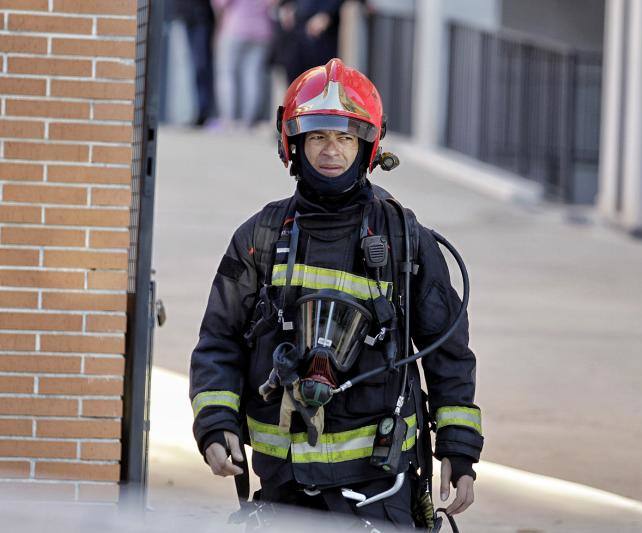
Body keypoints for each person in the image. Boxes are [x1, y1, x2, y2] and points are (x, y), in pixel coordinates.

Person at [190, 58, 483, 529]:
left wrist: (459, 450)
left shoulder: (404, 240)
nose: (332, 150)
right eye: (319, 137)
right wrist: (215, 424)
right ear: (294, 143)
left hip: (379, 484)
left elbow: (448, 352)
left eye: (345, 137)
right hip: (282, 484)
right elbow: (218, 341)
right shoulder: (259, 237)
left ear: (367, 146)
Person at [212, 0, 275, 129]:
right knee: (253, 76)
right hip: (262, 31)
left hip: (235, 29)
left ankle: (229, 119)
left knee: (227, 74)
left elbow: (220, 4)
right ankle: (248, 120)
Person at [273, 0, 345, 83]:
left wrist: (327, 12)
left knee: (321, 77)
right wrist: (286, 6)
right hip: (296, 25)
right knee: (295, 80)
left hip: (321, 30)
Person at [172, 0, 217, 127]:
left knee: (201, 66)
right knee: (190, 68)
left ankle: (203, 112)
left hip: (201, 17)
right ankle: (194, 112)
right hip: (186, 16)